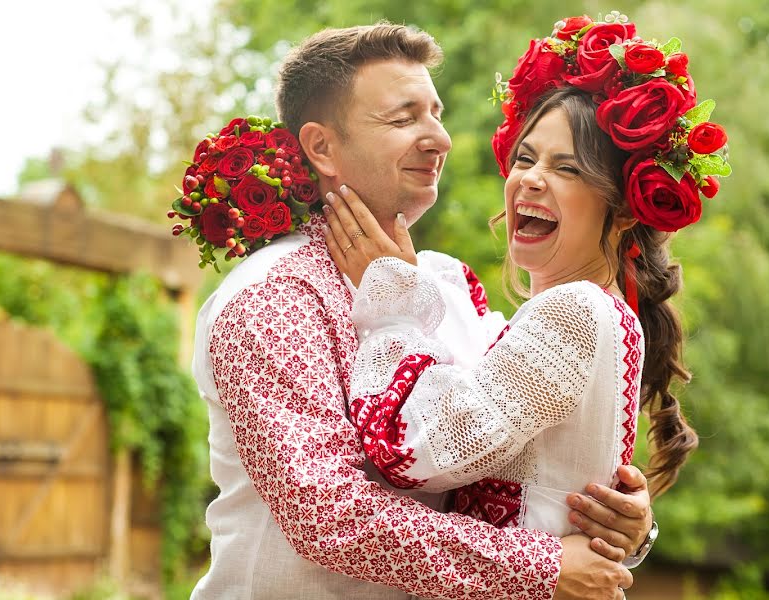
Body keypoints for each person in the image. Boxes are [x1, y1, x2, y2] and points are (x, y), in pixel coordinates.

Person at [191, 23, 654, 600]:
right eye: (404, 118)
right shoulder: (272, 295)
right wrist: (542, 567)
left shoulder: (449, 284)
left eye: (435, 113)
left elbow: (518, 453)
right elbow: (328, 513)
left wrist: (620, 523)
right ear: (321, 147)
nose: (440, 137)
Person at [322, 12, 721, 585]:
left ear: (628, 207)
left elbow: (410, 446)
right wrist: (633, 535)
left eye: (567, 168)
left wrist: (390, 300)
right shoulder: (587, 316)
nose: (531, 179)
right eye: (527, 158)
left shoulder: (576, 313)